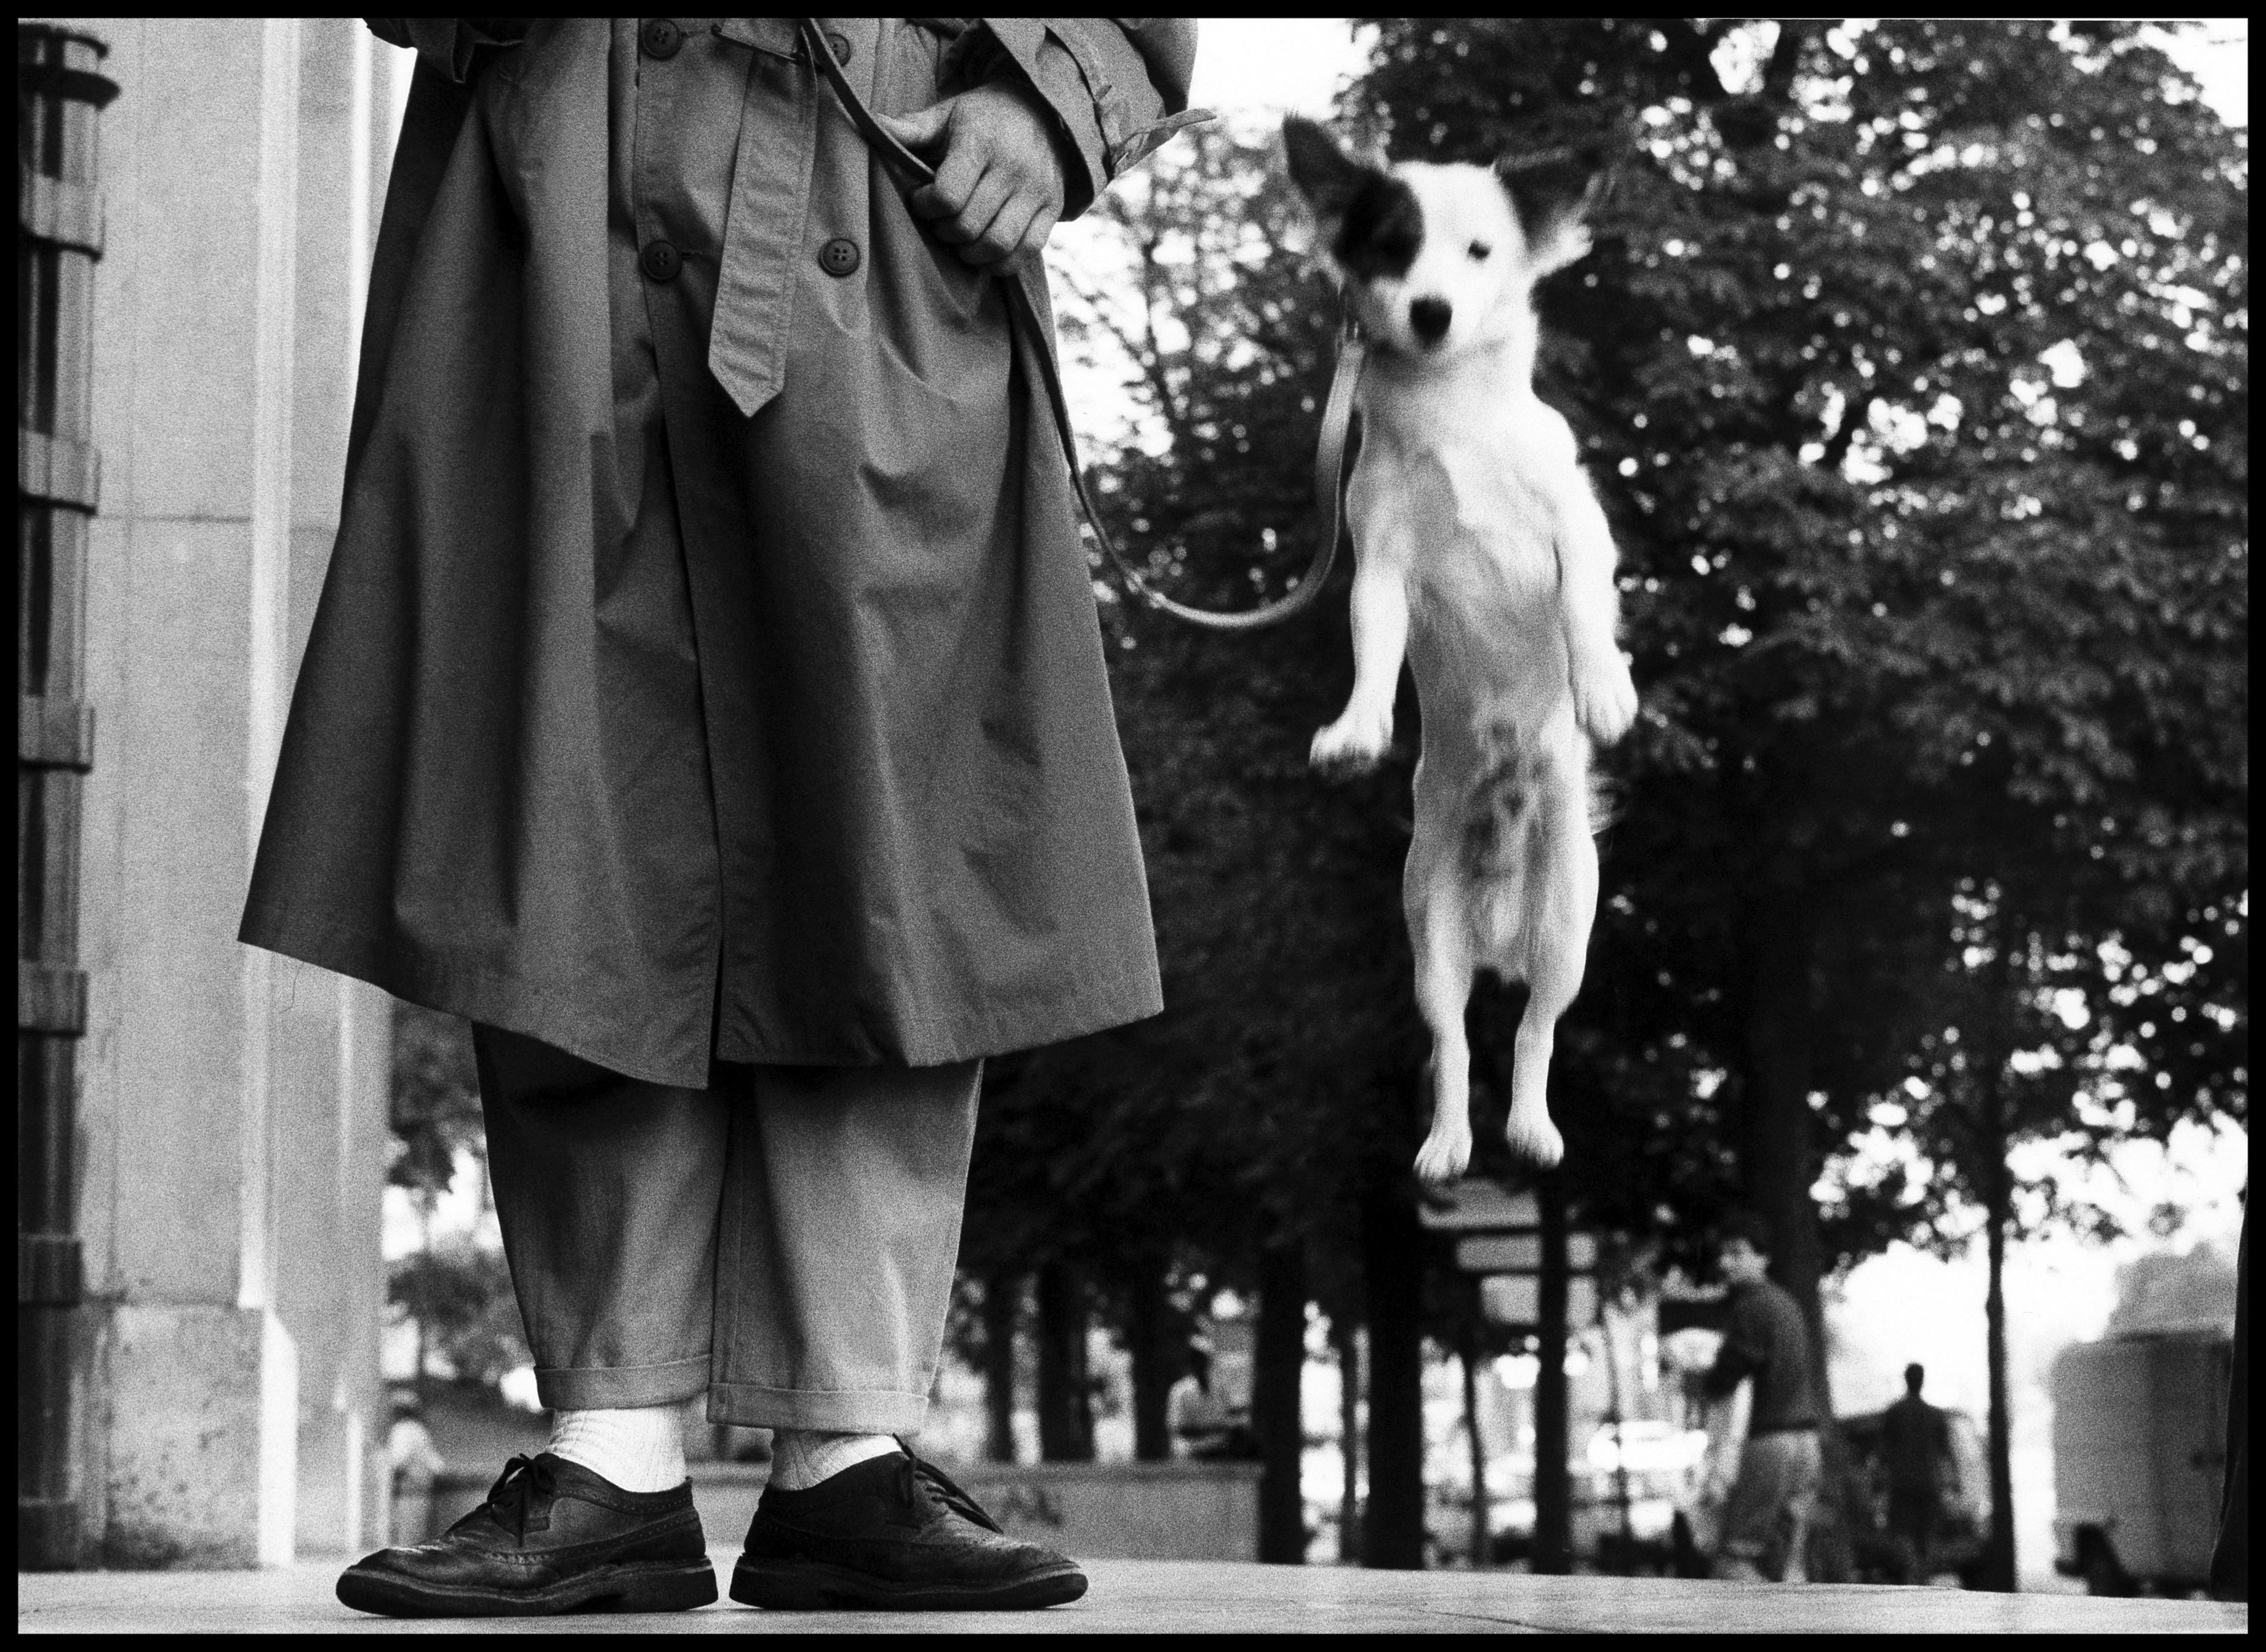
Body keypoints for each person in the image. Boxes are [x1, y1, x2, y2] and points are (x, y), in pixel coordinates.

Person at [241, 17, 1202, 1617]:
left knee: (887, 817)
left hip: (879, 172)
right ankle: (611, 1443)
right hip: (551, 180)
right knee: (560, 804)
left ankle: (850, 1447)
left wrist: (1064, 91)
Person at [1688, 1210, 1823, 1583]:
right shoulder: (1788, 1305)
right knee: (1790, 1563)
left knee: (1735, 1559)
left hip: (1771, 1443)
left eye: (1737, 1253)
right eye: (1723, 1254)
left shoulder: (1751, 1307)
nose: (1725, 1262)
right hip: (1807, 1443)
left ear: (1763, 1257)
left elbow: (1725, 1377)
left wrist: (1700, 1379)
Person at [1879, 1362, 1950, 1584]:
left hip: (1901, 1484)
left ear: (1906, 1380)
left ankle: (1910, 1573)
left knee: (1901, 1533)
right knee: (1925, 1536)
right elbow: (1944, 1454)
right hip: (1929, 1484)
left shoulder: (1893, 1413)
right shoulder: (1935, 1416)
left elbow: (1883, 1452)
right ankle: (1922, 1576)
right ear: (1922, 1381)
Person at [385, 1392, 447, 1548]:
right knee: (419, 1533)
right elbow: (436, 1463)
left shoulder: (402, 1430)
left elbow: (399, 1461)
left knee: (406, 1535)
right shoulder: (420, 1430)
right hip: (424, 1488)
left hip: (409, 1489)